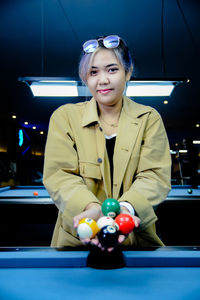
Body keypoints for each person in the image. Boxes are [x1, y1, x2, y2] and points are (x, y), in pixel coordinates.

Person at [43, 35, 171, 251]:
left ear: (128, 72)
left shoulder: (149, 118)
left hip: (135, 238)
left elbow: (154, 176)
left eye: (112, 69)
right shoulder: (64, 117)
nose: (102, 80)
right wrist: (92, 209)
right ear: (85, 77)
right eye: (93, 72)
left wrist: (124, 211)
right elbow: (60, 175)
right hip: (78, 240)